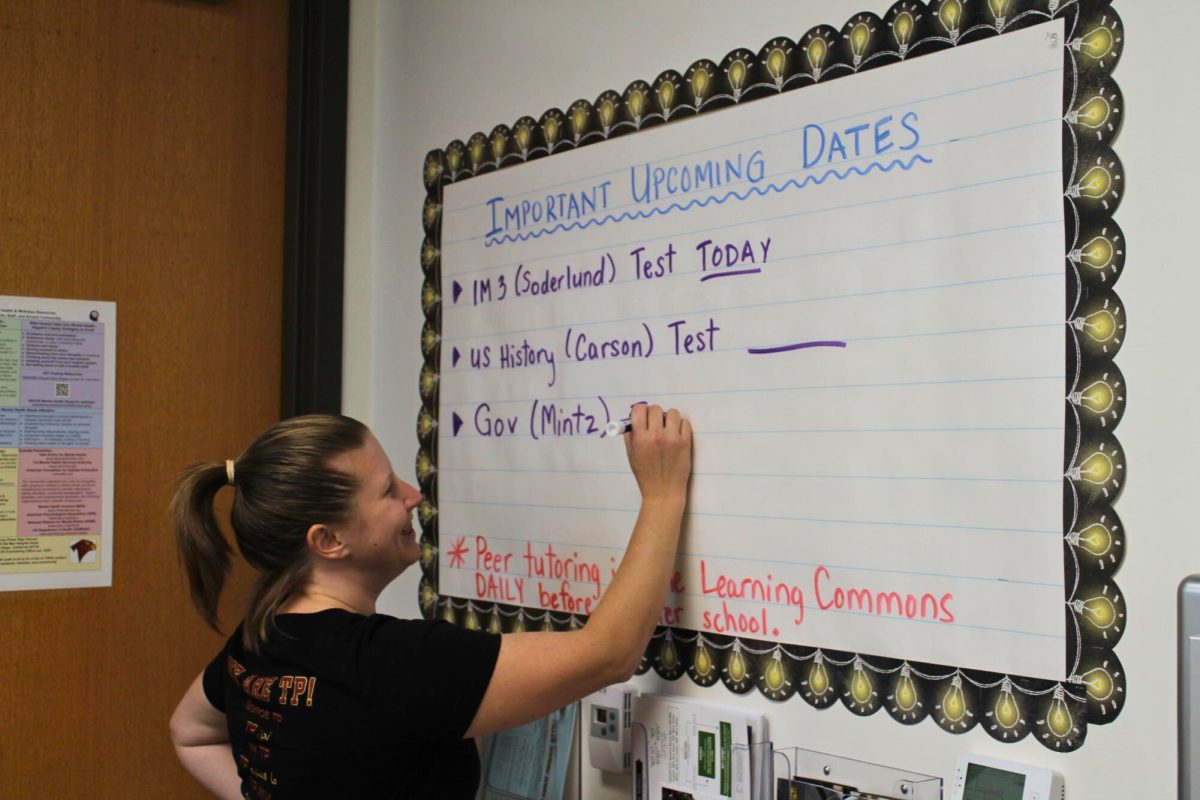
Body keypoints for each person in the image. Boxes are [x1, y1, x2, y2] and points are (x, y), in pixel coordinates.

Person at [168, 405, 691, 799]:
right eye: (385, 491)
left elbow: (189, 733)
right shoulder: (388, 663)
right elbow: (608, 654)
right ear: (328, 541)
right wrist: (663, 495)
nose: (411, 495)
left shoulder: (261, 639)